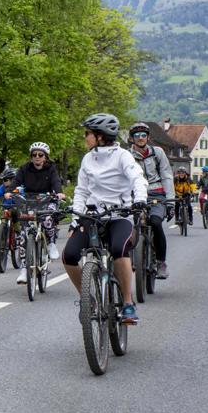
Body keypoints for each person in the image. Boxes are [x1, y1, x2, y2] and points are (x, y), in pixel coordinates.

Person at [63, 113, 147, 324]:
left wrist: (139, 200)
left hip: (120, 214)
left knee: (119, 249)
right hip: (92, 215)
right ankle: (88, 299)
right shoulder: (88, 159)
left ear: (99, 136)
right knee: (69, 255)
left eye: (88, 134)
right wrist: (75, 219)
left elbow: (138, 178)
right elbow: (81, 191)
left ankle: (127, 303)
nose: (85, 137)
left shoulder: (123, 156)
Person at [127, 122, 174, 279]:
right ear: (131, 138)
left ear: (148, 137)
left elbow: (167, 176)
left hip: (156, 195)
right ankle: (132, 260)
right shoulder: (127, 156)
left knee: (155, 222)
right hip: (135, 196)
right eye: (136, 135)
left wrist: (170, 202)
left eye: (143, 135)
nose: (140, 138)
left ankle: (161, 262)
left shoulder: (157, 152)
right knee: (130, 226)